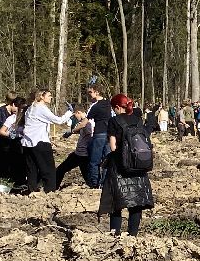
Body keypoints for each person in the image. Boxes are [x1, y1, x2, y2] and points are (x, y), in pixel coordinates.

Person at [100, 93, 154, 237]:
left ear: (117, 107)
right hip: (138, 166)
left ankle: (115, 233)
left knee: (116, 202)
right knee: (136, 202)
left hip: (119, 166)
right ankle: (133, 234)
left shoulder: (114, 121)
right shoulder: (138, 120)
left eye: (113, 108)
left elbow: (113, 146)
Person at [20, 89, 74, 194]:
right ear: (41, 97)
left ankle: (32, 191)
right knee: (48, 169)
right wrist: (69, 112)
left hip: (27, 143)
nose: (51, 97)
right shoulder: (41, 108)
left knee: (32, 169)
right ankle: (50, 192)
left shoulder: (30, 108)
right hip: (40, 142)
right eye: (49, 95)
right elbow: (58, 120)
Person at [55, 112, 92, 188]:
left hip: (82, 154)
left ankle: (53, 188)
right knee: (86, 175)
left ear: (79, 112)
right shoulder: (86, 122)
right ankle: (94, 186)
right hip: (81, 153)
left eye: (75, 115)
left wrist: (72, 131)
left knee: (60, 169)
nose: (75, 118)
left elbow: (89, 132)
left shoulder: (87, 123)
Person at [85, 84, 113, 188]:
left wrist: (73, 130)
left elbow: (85, 121)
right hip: (109, 134)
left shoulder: (95, 106)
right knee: (107, 160)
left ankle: (94, 184)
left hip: (99, 134)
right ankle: (105, 184)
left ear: (97, 92)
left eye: (90, 92)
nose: (89, 95)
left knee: (94, 161)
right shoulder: (109, 104)